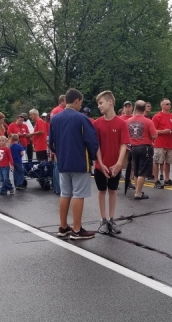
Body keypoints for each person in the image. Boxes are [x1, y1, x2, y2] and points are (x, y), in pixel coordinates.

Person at [49, 88, 99, 240]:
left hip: (63, 162)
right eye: (80, 103)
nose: (80, 106)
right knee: (79, 194)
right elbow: (91, 141)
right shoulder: (82, 118)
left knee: (65, 194)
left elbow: (51, 143)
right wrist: (93, 157)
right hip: (79, 161)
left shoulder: (55, 118)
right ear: (77, 100)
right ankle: (77, 230)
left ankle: (63, 227)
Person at [93, 90, 129, 234]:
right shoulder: (97, 124)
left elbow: (124, 144)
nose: (99, 106)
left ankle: (112, 218)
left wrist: (119, 163)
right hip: (100, 166)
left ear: (110, 102)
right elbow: (96, 146)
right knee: (102, 191)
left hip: (115, 165)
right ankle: (103, 219)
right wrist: (101, 163)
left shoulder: (121, 123)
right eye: (98, 104)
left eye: (101, 103)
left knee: (112, 191)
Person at [127, 100, 157, 199]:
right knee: (142, 172)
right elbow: (154, 135)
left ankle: (137, 190)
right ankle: (138, 193)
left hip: (133, 147)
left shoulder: (128, 121)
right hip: (145, 147)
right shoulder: (148, 121)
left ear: (135, 108)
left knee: (136, 170)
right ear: (144, 109)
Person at [152, 98, 172, 189]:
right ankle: (156, 180)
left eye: (170, 104)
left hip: (170, 143)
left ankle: (167, 179)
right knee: (157, 161)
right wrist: (164, 131)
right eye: (167, 104)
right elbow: (153, 131)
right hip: (159, 143)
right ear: (162, 105)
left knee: (168, 162)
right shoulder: (157, 116)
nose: (169, 106)